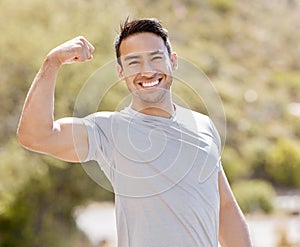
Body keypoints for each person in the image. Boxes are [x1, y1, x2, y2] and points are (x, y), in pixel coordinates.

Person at [17, 18, 252, 247]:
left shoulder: (203, 126)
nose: (147, 71)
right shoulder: (108, 130)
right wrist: (52, 62)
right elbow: (35, 135)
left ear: (173, 61)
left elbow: (225, 208)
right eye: (133, 62)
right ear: (120, 73)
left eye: (156, 58)